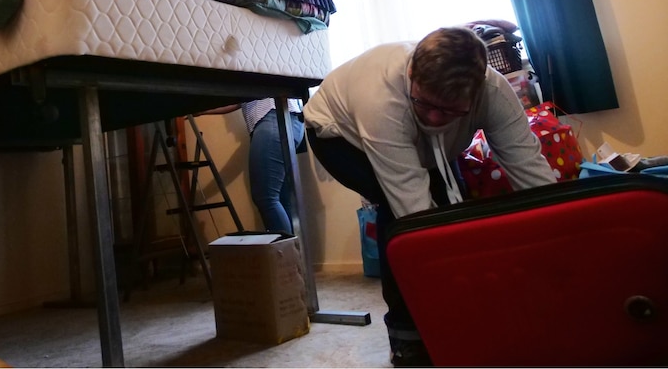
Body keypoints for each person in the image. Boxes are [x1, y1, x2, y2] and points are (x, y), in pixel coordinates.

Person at [302, 26, 556, 366]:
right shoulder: (382, 100)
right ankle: (407, 336)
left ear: (476, 93)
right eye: (427, 104)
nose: (435, 118)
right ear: (411, 73)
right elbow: (416, 218)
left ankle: (461, 315)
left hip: (412, 132)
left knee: (455, 208)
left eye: (450, 111)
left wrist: (562, 245)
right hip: (338, 134)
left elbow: (534, 177)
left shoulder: (494, 92)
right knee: (401, 222)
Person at [197, 98, 304, 233]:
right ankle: (292, 251)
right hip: (284, 119)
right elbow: (237, 100)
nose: (230, 129)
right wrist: (202, 109)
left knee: (266, 197)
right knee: (280, 200)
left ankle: (285, 253)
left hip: (273, 118)